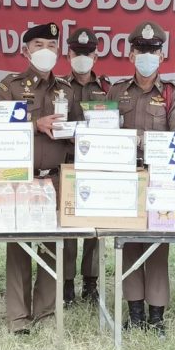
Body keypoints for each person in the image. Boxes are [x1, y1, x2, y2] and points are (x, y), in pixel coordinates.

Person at [105, 21, 175, 336]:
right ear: (131, 55)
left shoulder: (172, 93)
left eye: (153, 51)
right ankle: (135, 313)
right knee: (128, 244)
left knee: (156, 247)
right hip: (124, 179)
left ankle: (156, 317)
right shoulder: (117, 91)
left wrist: (139, 140)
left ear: (162, 56)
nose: (147, 56)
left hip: (159, 180)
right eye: (141, 50)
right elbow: (105, 131)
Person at [0, 21, 75, 335]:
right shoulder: (10, 86)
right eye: (39, 45)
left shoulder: (67, 89)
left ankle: (46, 312)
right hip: (21, 180)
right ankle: (18, 317)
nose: (46, 51)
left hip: (55, 180)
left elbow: (76, 135)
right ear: (25, 51)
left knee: (51, 247)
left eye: (52, 46)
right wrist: (34, 123)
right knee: (19, 247)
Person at [64, 27, 110, 305]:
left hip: (96, 164)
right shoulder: (59, 86)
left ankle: (91, 283)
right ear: (68, 55)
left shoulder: (107, 88)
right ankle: (67, 283)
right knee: (69, 225)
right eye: (77, 53)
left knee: (95, 228)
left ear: (95, 56)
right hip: (66, 162)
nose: (82, 58)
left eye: (87, 53)